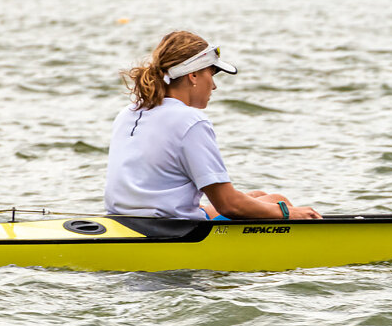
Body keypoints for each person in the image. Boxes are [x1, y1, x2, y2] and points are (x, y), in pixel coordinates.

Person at [105, 31, 320, 220]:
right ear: (194, 75)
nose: (214, 85)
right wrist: (289, 213)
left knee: (256, 197)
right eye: (212, 73)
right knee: (277, 201)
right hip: (169, 229)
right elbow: (229, 205)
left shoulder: (128, 112)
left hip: (126, 219)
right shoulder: (190, 121)